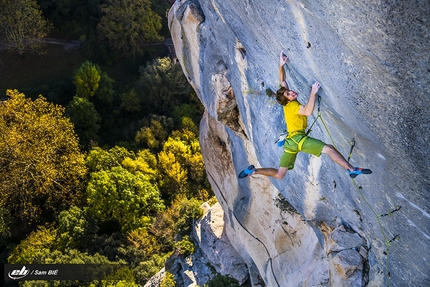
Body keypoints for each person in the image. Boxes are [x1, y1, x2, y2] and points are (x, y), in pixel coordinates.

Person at [239, 51, 372, 180]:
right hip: (298, 140)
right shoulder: (293, 106)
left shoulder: (286, 103)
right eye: (289, 94)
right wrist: (313, 92)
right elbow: (308, 112)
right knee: (329, 149)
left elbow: (283, 81)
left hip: (290, 143)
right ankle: (351, 169)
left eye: (289, 91)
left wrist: (281, 65)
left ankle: (254, 171)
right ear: (288, 100)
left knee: (280, 175)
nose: (291, 92)